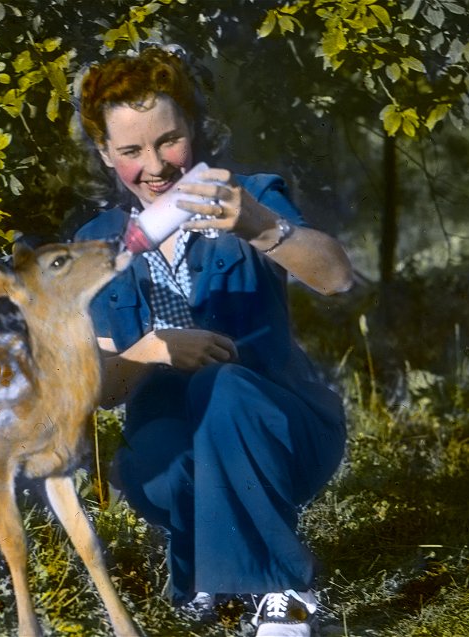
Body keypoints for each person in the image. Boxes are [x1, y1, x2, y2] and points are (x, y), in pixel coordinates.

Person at [71, 46, 353, 637]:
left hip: (283, 432)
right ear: (105, 154)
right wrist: (149, 350)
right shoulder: (98, 243)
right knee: (153, 455)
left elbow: (336, 278)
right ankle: (214, 566)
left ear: (193, 131)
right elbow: (99, 389)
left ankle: (285, 593)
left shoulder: (245, 195)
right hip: (173, 451)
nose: (156, 166)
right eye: (130, 151)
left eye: (169, 141)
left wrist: (261, 225)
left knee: (223, 387)